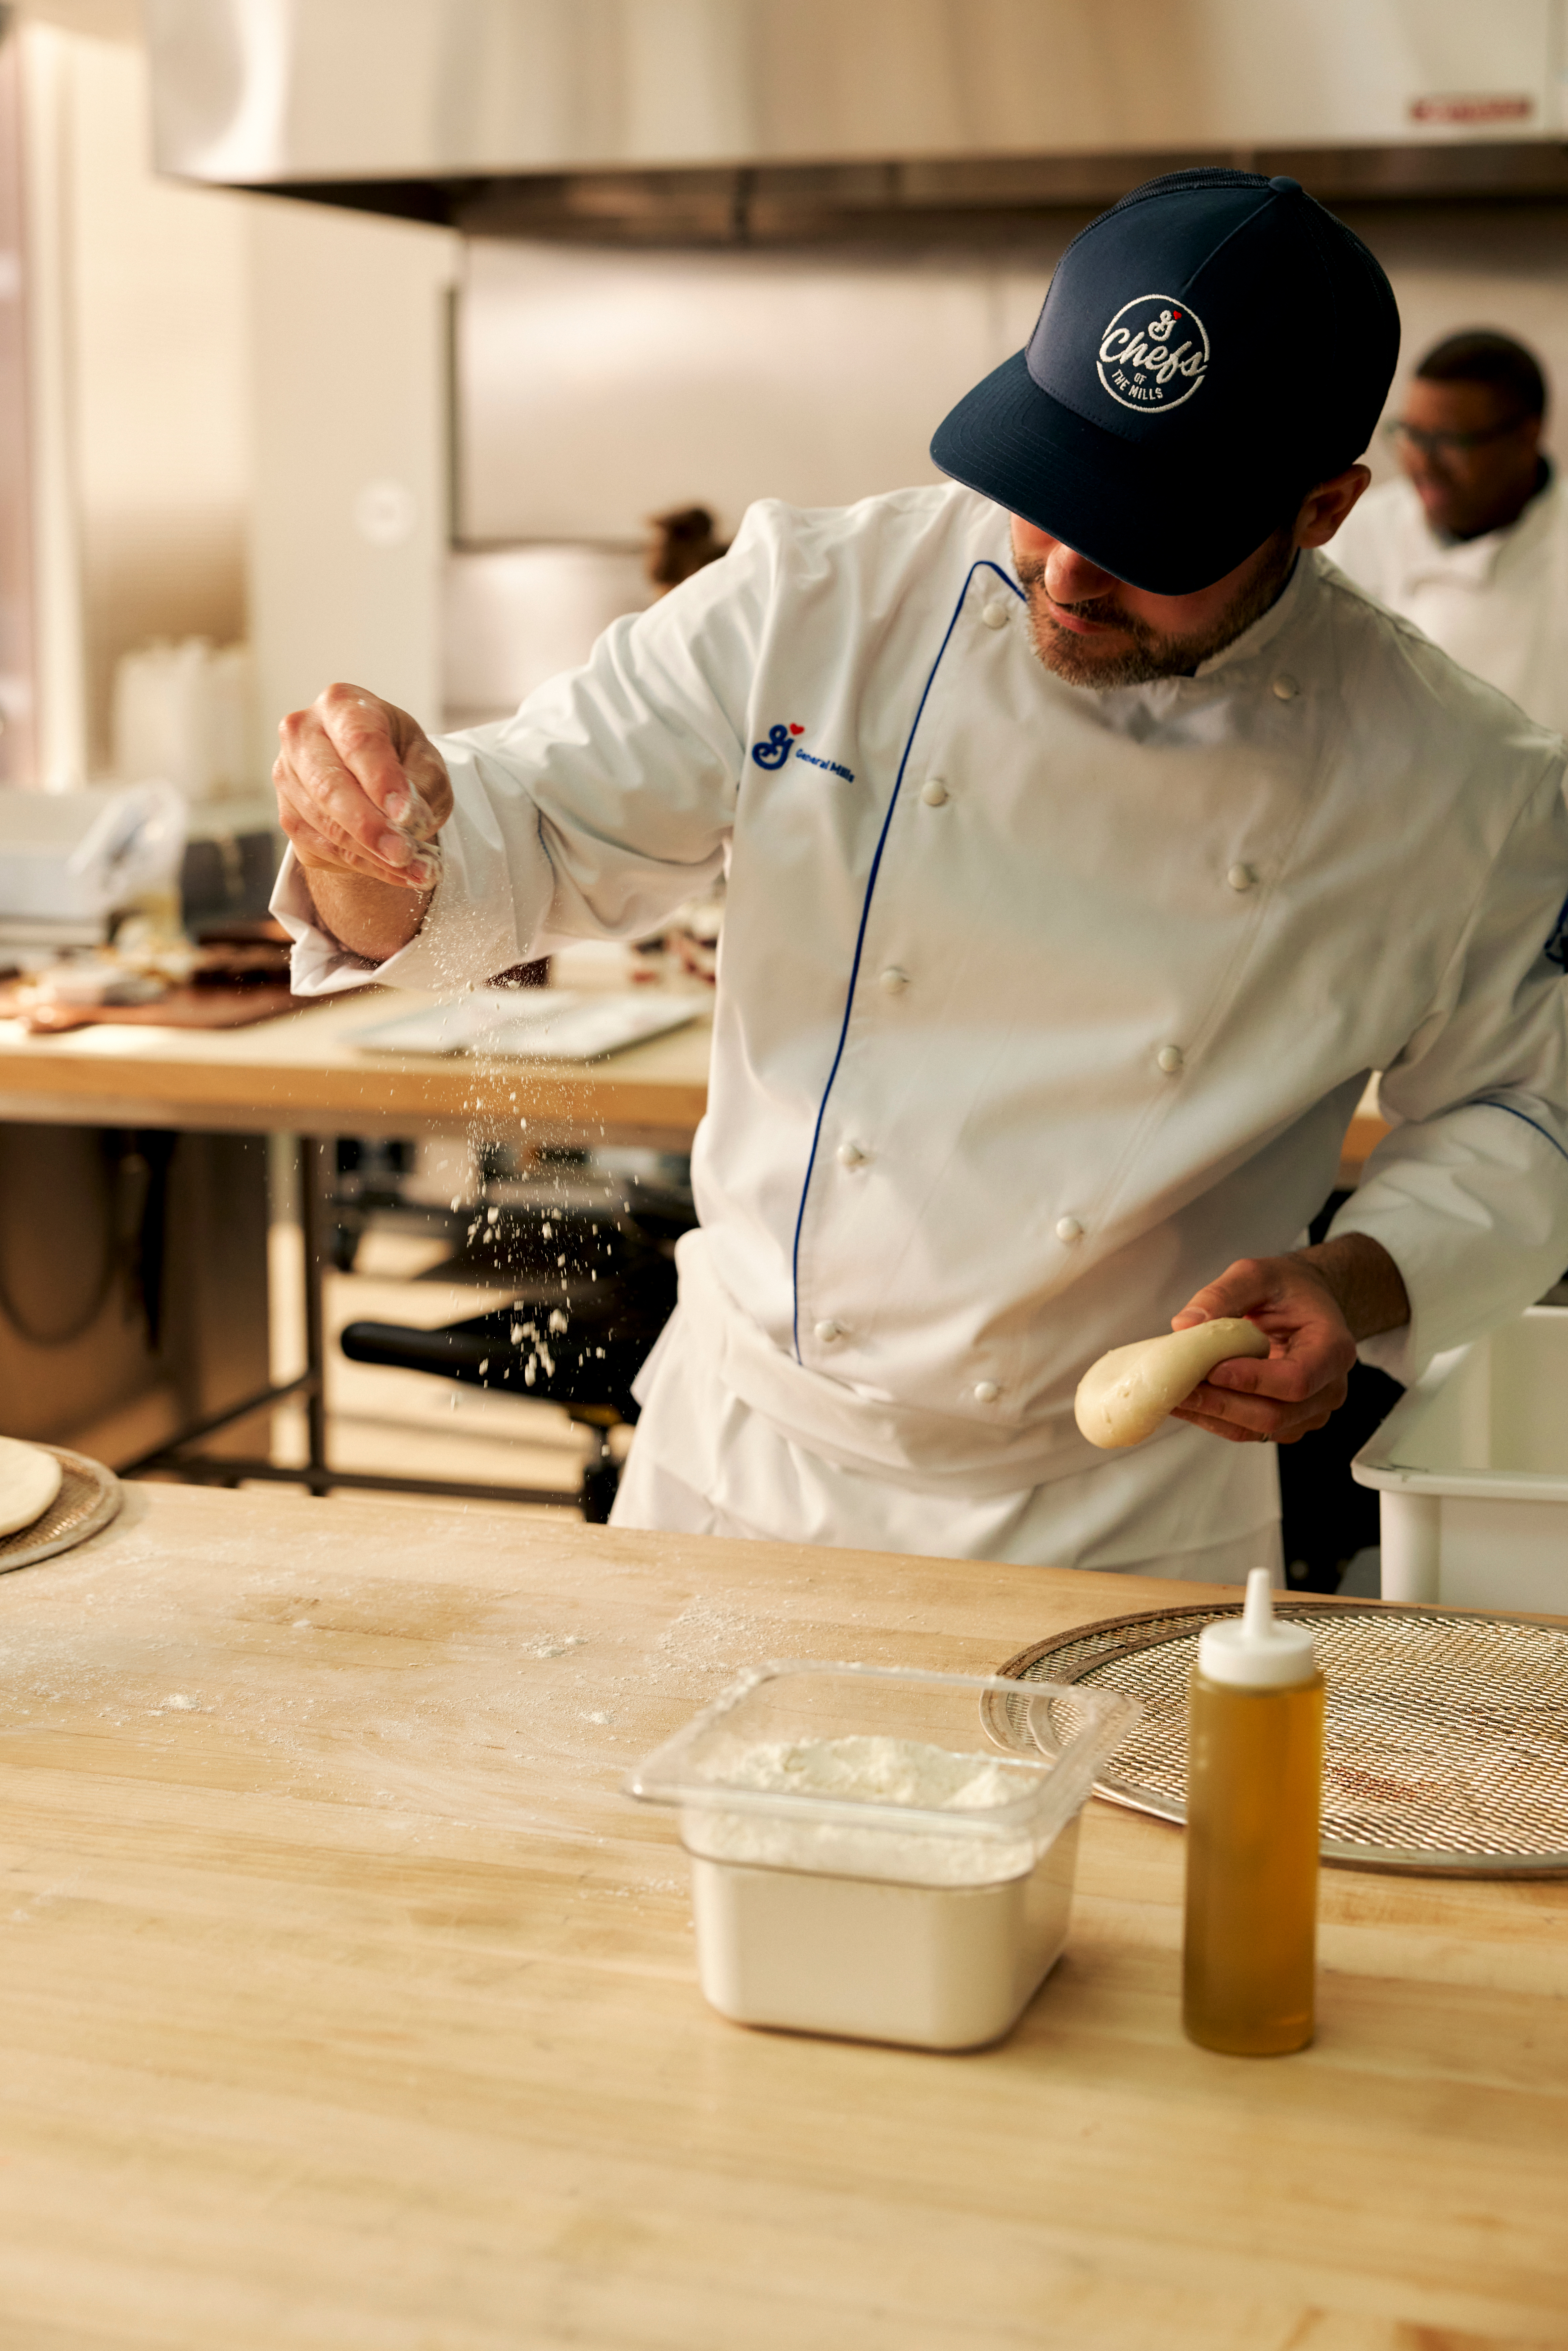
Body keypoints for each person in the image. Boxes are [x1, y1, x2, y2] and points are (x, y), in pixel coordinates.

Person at [269, 170, 1568, 1584]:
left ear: (1322, 511)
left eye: (1150, 536)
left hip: (1122, 1512)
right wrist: (365, 843)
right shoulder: (814, 603)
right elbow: (506, 857)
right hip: (742, 1472)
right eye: (1048, 483)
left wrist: (1350, 1280)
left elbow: (1524, 1106)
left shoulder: (1461, 777)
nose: (1067, 567)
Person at [1331, 329, 1568, 735]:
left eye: (1448, 441)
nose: (1423, 463)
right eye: (1412, 435)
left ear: (1526, 437)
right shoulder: (1353, 531)